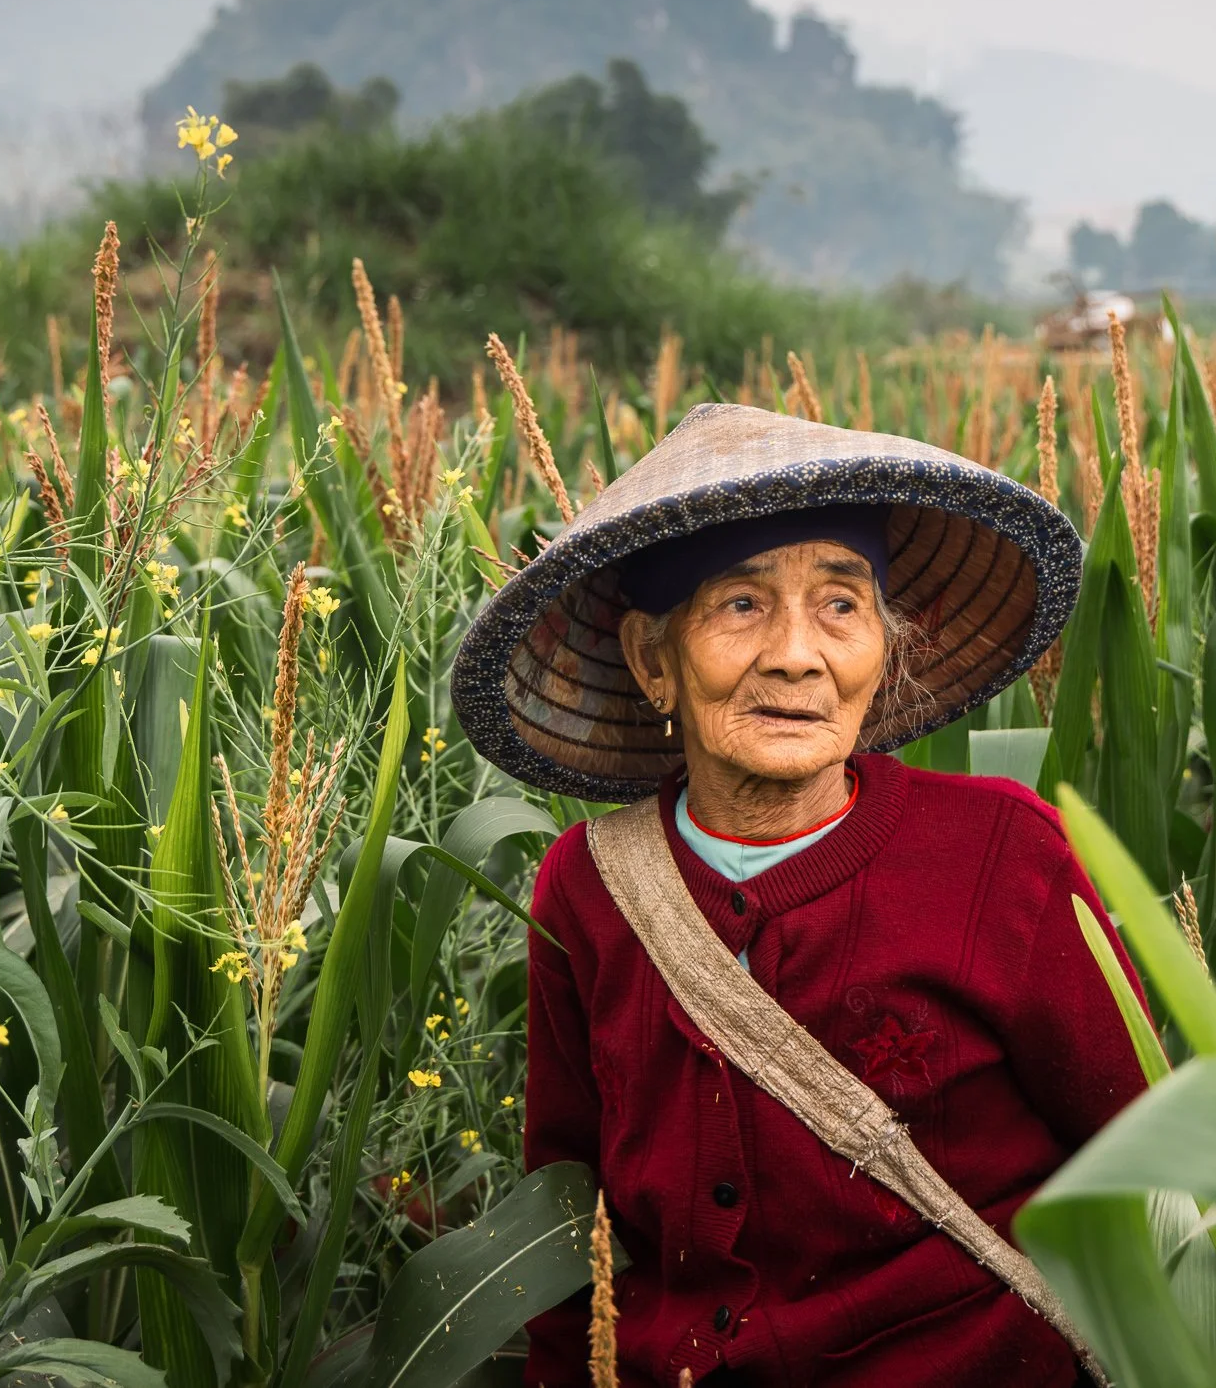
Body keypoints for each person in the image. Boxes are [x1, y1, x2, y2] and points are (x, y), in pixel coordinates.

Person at [451, 402, 1147, 1387]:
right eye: (740, 604)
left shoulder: (1001, 851)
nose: (795, 652)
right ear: (655, 659)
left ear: (881, 647)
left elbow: (1150, 1151)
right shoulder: (588, 887)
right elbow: (571, 1222)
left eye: (839, 604)